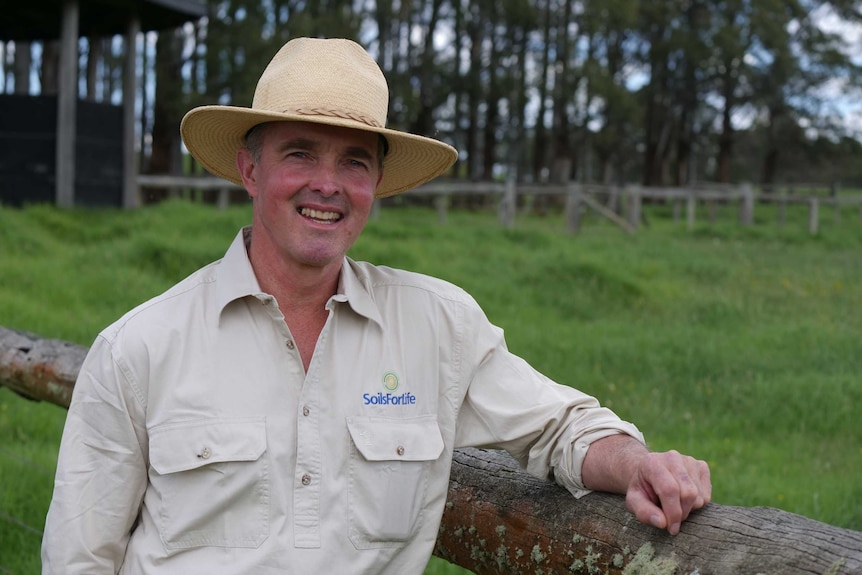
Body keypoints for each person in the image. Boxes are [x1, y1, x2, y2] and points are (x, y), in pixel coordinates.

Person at [41, 37, 710, 574]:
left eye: (355, 162)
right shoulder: (140, 346)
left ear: (377, 182)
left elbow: (562, 426)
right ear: (251, 169)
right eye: (300, 152)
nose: (328, 185)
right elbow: (79, 557)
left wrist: (642, 464)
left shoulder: (435, 326)